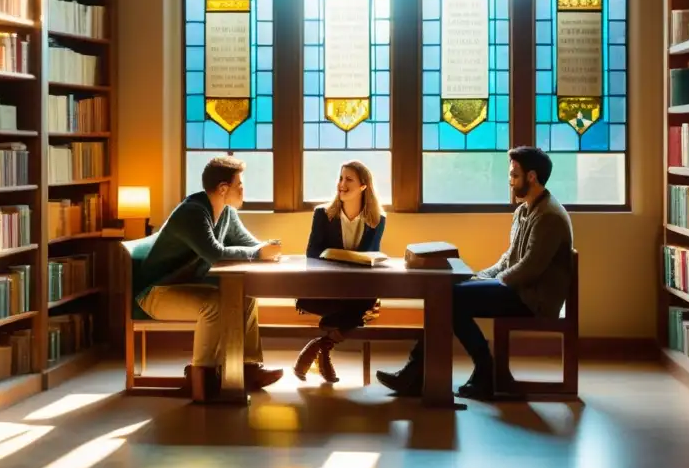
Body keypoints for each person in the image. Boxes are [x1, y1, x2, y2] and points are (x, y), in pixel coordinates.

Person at [376, 146, 573, 400]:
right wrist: (480, 277)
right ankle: (421, 373)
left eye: (514, 175)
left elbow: (529, 269)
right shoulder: (524, 210)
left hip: (534, 298)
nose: (510, 181)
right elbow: (509, 258)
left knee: (450, 298)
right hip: (520, 289)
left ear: (532, 177)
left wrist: (491, 283)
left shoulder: (549, 217)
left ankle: (478, 371)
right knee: (448, 293)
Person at [134, 155, 284, 399]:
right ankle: (201, 379)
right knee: (213, 305)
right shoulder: (191, 213)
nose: (243, 190)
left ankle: (249, 369)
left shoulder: (227, 213)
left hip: (188, 287)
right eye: (240, 185)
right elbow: (215, 254)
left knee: (245, 299)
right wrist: (258, 253)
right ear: (224, 189)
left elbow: (249, 245)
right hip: (157, 292)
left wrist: (267, 248)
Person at [293, 161, 386, 383]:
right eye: (341, 178)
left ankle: (320, 346)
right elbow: (312, 253)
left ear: (364, 186)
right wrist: (337, 257)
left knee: (365, 302)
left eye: (349, 179)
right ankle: (323, 348)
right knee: (362, 311)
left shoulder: (377, 220)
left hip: (355, 292)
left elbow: (370, 256)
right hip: (324, 289)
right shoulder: (323, 214)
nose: (342, 184)